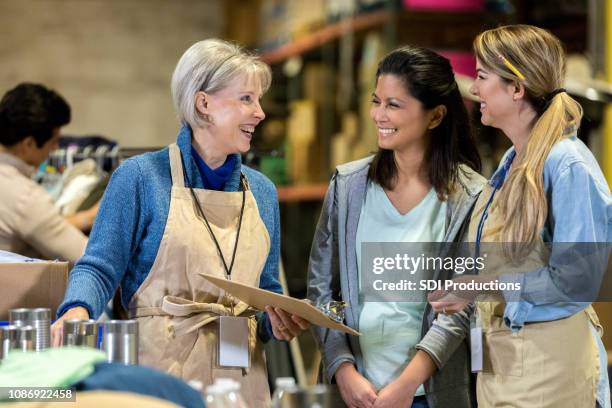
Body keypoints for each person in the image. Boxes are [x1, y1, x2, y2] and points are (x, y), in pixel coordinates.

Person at [51, 39, 308, 407]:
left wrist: (279, 320)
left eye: (259, 100)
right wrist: (77, 308)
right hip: (159, 380)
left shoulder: (263, 193)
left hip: (242, 387)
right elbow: (98, 267)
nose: (260, 113)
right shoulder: (139, 178)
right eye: (246, 99)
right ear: (204, 104)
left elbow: (264, 293)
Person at [430, 25, 611, 408]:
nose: (475, 90)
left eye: (482, 77)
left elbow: (577, 281)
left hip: (549, 370)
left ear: (516, 88)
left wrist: (482, 285)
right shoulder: (513, 165)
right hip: (507, 367)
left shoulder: (566, 164)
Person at [307, 46, 485, 408]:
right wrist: (342, 368)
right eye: (376, 101)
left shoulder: (471, 198)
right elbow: (323, 291)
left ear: (435, 117)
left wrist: (408, 384)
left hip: (428, 394)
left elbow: (462, 306)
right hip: (353, 391)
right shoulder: (348, 186)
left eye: (394, 105)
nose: (378, 115)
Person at [0, 83, 98, 263]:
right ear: (28, 144)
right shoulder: (24, 196)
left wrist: (88, 217)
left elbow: (41, 226)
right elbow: (88, 258)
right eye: (53, 141)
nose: (54, 149)